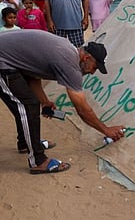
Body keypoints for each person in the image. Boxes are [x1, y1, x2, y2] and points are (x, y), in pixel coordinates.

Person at [0, 30, 125, 174]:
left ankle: (27, 143)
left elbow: (31, 72)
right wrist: (106, 130)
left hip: (9, 58)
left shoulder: (67, 52)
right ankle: (38, 161)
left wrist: (44, 101)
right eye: (95, 67)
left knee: (28, 103)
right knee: (28, 106)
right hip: (3, 61)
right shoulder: (69, 63)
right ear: (86, 58)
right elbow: (82, 109)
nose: (92, 72)